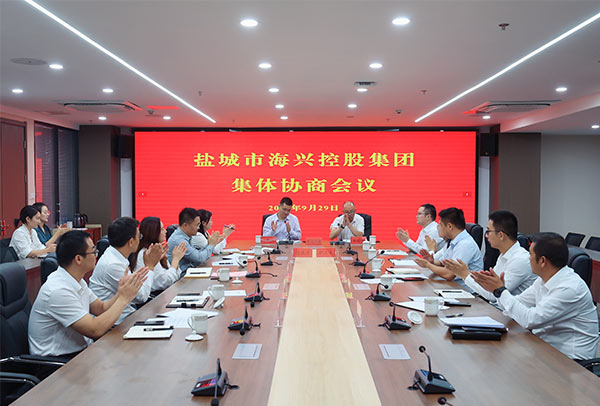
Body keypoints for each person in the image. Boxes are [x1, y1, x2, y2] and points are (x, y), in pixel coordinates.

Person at [471, 232, 599, 360]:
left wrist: (500, 291)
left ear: (542, 261)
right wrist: (498, 291)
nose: (528, 258)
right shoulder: (543, 280)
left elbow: (529, 320)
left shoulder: (569, 288)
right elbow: (518, 303)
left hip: (571, 362)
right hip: (545, 348)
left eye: (530, 254)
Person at [28, 230, 148, 357]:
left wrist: (121, 292)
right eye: (93, 251)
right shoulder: (58, 291)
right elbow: (95, 330)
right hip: (58, 362)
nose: (96, 254)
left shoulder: (76, 280)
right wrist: (123, 299)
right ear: (78, 259)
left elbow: (101, 308)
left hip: (80, 353)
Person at [444, 210, 537, 305]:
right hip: (497, 308)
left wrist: (465, 274)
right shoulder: (504, 255)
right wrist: (479, 278)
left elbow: (493, 295)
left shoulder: (520, 260)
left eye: (488, 231)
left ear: (501, 235)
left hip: (507, 312)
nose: (486, 235)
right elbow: (490, 287)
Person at [89, 217, 156, 324]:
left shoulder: (115, 256)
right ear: (131, 242)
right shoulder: (113, 265)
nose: (140, 240)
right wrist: (150, 267)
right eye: (139, 236)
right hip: (116, 324)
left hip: (124, 316)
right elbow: (141, 297)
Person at [414, 207, 483, 282]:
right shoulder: (453, 241)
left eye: (440, 225)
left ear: (450, 226)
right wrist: (432, 261)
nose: (438, 228)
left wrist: (428, 265)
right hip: (453, 285)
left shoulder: (465, 244)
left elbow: (449, 274)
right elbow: (442, 262)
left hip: (463, 287)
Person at [133, 217, 187, 291]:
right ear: (153, 232)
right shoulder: (146, 253)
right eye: (162, 229)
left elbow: (175, 276)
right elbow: (164, 282)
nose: (165, 231)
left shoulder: (157, 250)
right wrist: (175, 260)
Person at [167, 208, 222, 273]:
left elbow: (198, 255)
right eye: (197, 225)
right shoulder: (179, 240)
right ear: (185, 225)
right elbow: (199, 258)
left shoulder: (186, 236)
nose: (198, 228)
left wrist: (210, 244)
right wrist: (211, 244)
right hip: (181, 276)